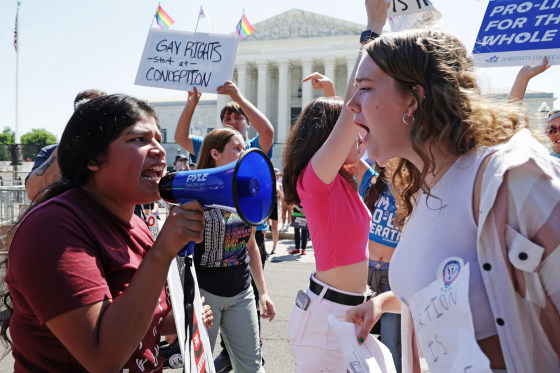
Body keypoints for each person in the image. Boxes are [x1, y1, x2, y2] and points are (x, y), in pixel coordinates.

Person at [344, 26, 560, 373]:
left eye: (365, 89)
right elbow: (446, 287)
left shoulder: (512, 180)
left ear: (412, 100)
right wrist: (383, 303)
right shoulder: (419, 188)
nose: (351, 104)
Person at [1, 94, 213, 372]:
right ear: (93, 159)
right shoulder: (52, 228)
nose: (159, 150)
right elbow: (102, 357)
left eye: (158, 139)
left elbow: (134, 315)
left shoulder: (135, 224)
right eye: (139, 139)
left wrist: (177, 318)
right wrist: (161, 253)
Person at [192, 128, 275, 373]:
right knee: (201, 367)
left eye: (244, 147)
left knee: (251, 366)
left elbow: (251, 246)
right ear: (214, 154)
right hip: (205, 297)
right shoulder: (195, 194)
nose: (243, 153)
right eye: (236, 148)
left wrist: (263, 292)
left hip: (241, 293)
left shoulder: (247, 192)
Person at [25, 89, 107, 201]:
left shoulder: (122, 149)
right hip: (69, 216)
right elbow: (34, 193)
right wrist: (69, 140)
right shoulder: (50, 152)